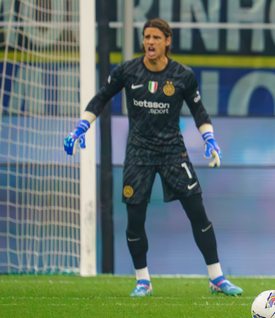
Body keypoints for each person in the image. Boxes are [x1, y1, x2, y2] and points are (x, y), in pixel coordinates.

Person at [64, 18, 242, 297]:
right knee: (135, 218)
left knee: (198, 213)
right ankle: (142, 280)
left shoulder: (183, 75)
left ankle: (216, 278)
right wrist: (80, 128)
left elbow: (199, 112)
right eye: (146, 37)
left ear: (167, 41)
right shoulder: (128, 70)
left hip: (173, 152)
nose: (150, 42)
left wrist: (210, 138)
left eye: (156, 37)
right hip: (138, 153)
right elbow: (100, 98)